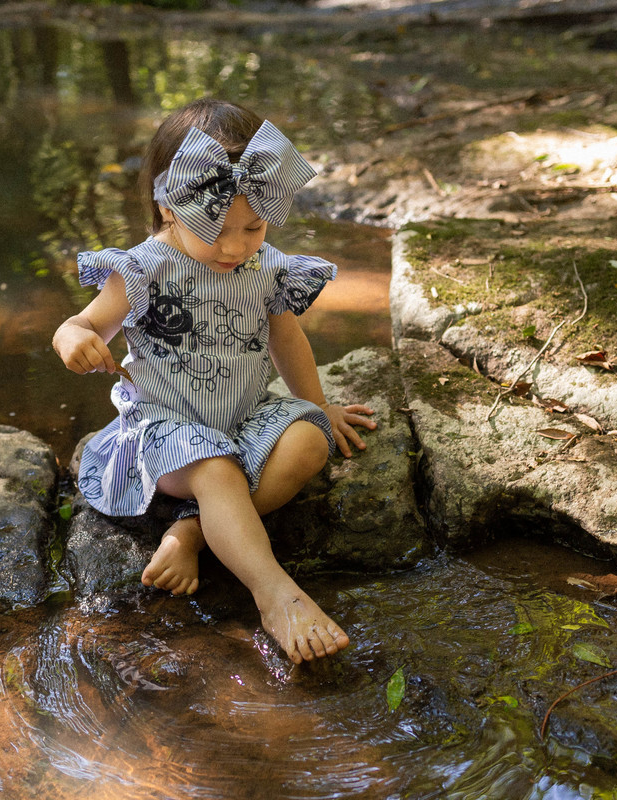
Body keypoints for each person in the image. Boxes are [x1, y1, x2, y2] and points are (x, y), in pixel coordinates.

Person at [51, 98, 377, 664]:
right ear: (168, 208)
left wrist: (318, 408)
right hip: (166, 431)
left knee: (308, 442)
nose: (234, 246)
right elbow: (82, 323)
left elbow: (287, 338)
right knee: (217, 470)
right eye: (216, 229)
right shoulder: (143, 269)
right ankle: (272, 592)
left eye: (252, 226)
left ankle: (196, 532)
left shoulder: (265, 266)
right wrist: (73, 338)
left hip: (242, 416)